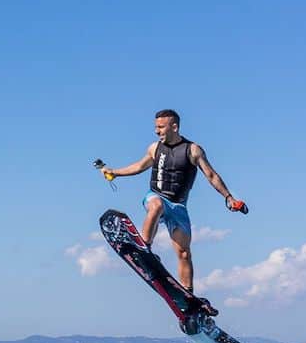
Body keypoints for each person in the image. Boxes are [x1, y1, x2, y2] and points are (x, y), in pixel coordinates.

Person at [102, 109, 246, 291]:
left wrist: (229, 197)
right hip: (155, 195)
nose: (157, 131)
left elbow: (211, 175)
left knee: (184, 253)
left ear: (174, 127)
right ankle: (144, 247)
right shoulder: (154, 148)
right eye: (156, 127)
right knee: (157, 204)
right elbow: (139, 166)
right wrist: (114, 172)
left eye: (161, 127)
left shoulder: (193, 150)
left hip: (178, 206)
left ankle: (188, 296)